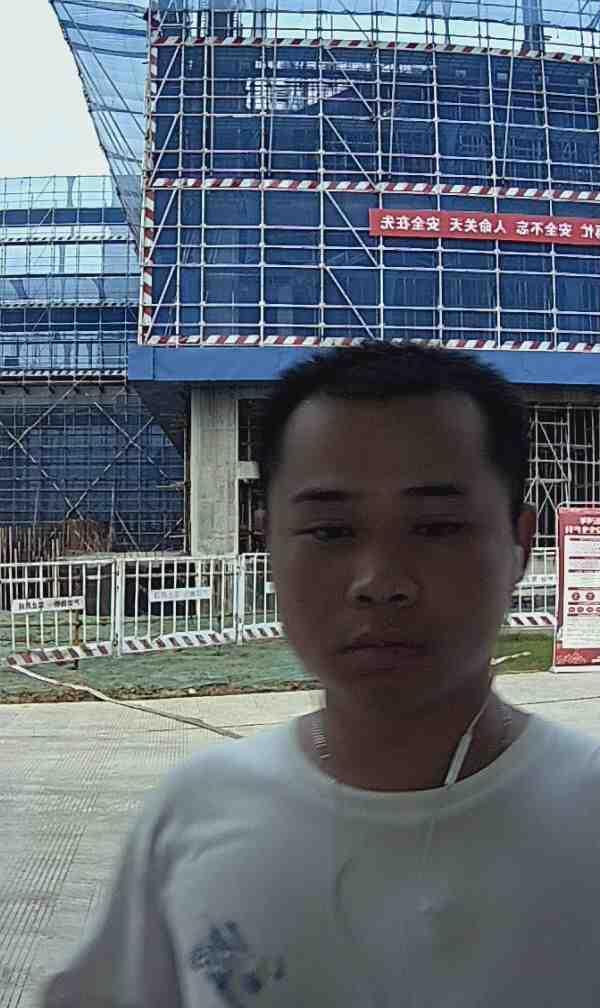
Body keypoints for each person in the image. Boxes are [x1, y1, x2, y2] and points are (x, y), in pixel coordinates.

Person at [43, 341, 600, 1008]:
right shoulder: (195, 817)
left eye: (436, 527)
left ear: (520, 545)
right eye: (331, 532)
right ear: (269, 544)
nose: (381, 582)